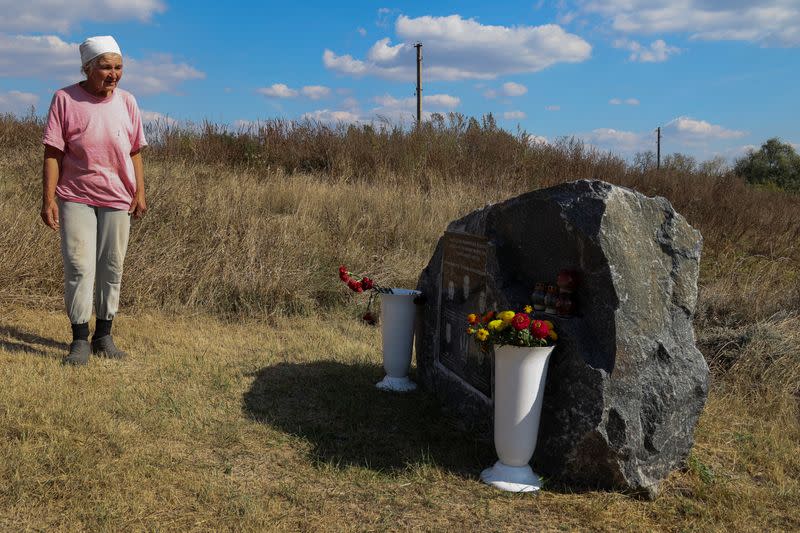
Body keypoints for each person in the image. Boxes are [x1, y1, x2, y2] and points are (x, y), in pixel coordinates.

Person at [41, 35, 147, 365]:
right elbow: (53, 153)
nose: (113, 74)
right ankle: (79, 340)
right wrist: (48, 199)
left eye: (118, 68)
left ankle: (103, 335)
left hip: (118, 196)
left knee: (111, 268)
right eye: (105, 67)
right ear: (88, 68)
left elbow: (135, 151)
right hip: (75, 196)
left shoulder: (127, 102)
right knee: (79, 266)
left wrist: (140, 192)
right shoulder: (64, 99)